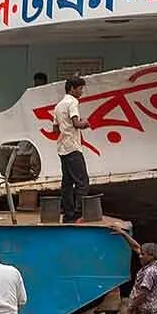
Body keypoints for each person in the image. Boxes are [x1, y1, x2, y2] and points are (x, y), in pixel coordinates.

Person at [55, 75, 89, 223]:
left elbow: (55, 128)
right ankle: (78, 213)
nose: (81, 92)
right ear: (72, 89)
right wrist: (85, 123)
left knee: (67, 182)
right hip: (73, 147)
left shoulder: (58, 106)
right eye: (80, 89)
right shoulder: (73, 102)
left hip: (62, 147)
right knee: (82, 181)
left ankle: (68, 214)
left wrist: (65, 130)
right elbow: (76, 123)